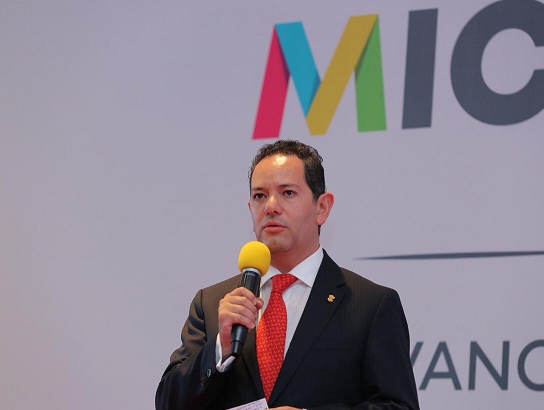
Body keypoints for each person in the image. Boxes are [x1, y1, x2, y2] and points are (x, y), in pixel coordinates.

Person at [155, 140, 420, 410]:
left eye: (288, 193)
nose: (270, 206)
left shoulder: (371, 305)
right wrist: (220, 348)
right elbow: (168, 403)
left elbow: (399, 407)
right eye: (260, 196)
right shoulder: (213, 304)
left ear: (322, 208)